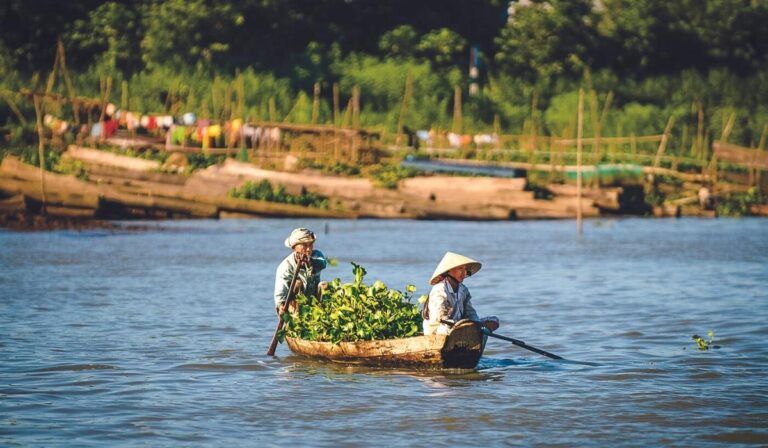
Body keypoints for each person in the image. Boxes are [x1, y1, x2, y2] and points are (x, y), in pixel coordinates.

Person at [422, 251, 500, 335]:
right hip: (439, 329)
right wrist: (458, 325)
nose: (464, 273)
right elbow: (438, 319)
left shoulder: (463, 290)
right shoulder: (439, 290)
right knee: (446, 329)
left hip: (459, 327)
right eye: (460, 269)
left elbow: (470, 312)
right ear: (449, 271)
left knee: (493, 320)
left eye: (465, 269)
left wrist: (477, 324)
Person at [273, 228, 327, 314]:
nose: (309, 249)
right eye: (305, 245)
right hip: (295, 306)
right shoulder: (285, 266)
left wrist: (310, 262)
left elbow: (322, 264)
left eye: (311, 245)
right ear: (294, 247)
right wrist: (281, 307)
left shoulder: (316, 255)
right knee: (298, 283)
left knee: (324, 285)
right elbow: (280, 295)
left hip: (314, 302)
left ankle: (323, 314)